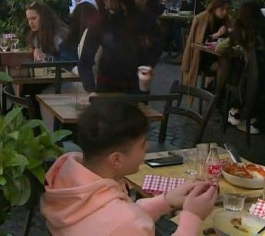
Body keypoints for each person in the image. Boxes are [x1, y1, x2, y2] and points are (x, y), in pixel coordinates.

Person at [41, 101, 217, 236]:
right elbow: (123, 222)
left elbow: (109, 218)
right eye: (142, 144)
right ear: (116, 159)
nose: (147, 147)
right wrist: (192, 217)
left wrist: (166, 201)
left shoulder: (66, 174)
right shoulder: (126, 221)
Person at [78, 0, 162, 93]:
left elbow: (157, 44)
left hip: (136, 85)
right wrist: (91, 89)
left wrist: (148, 65)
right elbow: (85, 61)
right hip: (107, 85)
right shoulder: (102, 21)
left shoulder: (143, 19)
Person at [224, 2, 265, 132]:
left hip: (253, 80)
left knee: (235, 67)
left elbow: (221, 48)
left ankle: (235, 109)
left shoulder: (243, 31)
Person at [181, 0, 232, 89]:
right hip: (202, 56)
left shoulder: (228, 20)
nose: (225, 12)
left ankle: (219, 93)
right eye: (222, 9)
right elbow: (198, 40)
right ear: (214, 8)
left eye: (227, 9)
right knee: (224, 65)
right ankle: (216, 93)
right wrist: (216, 35)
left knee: (233, 64)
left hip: (219, 53)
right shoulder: (203, 18)